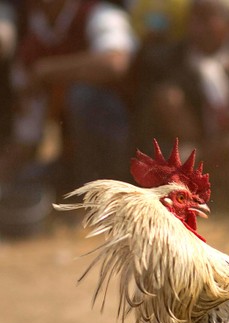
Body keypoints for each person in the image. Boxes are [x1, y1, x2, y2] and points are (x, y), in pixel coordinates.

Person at [131, 0, 229, 207]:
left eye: (206, 19)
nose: (196, 27)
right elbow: (144, 128)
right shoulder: (163, 62)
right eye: (193, 18)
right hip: (190, 154)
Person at [0, 0, 137, 237]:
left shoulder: (99, 14)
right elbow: (26, 140)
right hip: (73, 157)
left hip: (133, 151)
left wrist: (48, 71)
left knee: (85, 96)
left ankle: (104, 201)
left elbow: (115, 64)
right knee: (25, 181)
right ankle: (82, 194)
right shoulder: (32, 42)